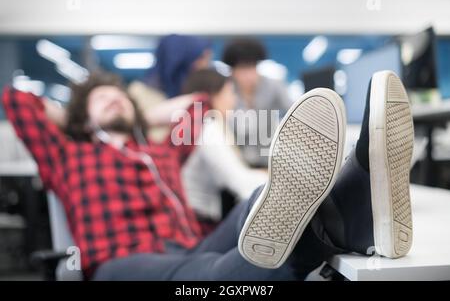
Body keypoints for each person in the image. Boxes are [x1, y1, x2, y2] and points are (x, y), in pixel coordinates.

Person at [2, 70, 414, 280]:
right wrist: (80, 117)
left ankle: (358, 203)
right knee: (212, 275)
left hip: (188, 244)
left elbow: (200, 106)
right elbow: (15, 99)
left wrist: (135, 112)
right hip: (119, 262)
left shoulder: (159, 150)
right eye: (101, 101)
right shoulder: (65, 153)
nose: (112, 101)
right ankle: (360, 201)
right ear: (80, 117)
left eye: (118, 98)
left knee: (256, 204)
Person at [180, 69, 267, 226]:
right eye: (230, 93)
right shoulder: (208, 128)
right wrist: (279, 179)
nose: (233, 100)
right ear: (212, 96)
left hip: (199, 218)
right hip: (199, 223)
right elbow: (240, 183)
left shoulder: (199, 124)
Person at [222, 37, 293, 167]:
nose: (249, 75)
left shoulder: (274, 86)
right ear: (232, 70)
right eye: (243, 69)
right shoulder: (225, 92)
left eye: (252, 67)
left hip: (270, 164)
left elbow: (294, 112)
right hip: (237, 166)